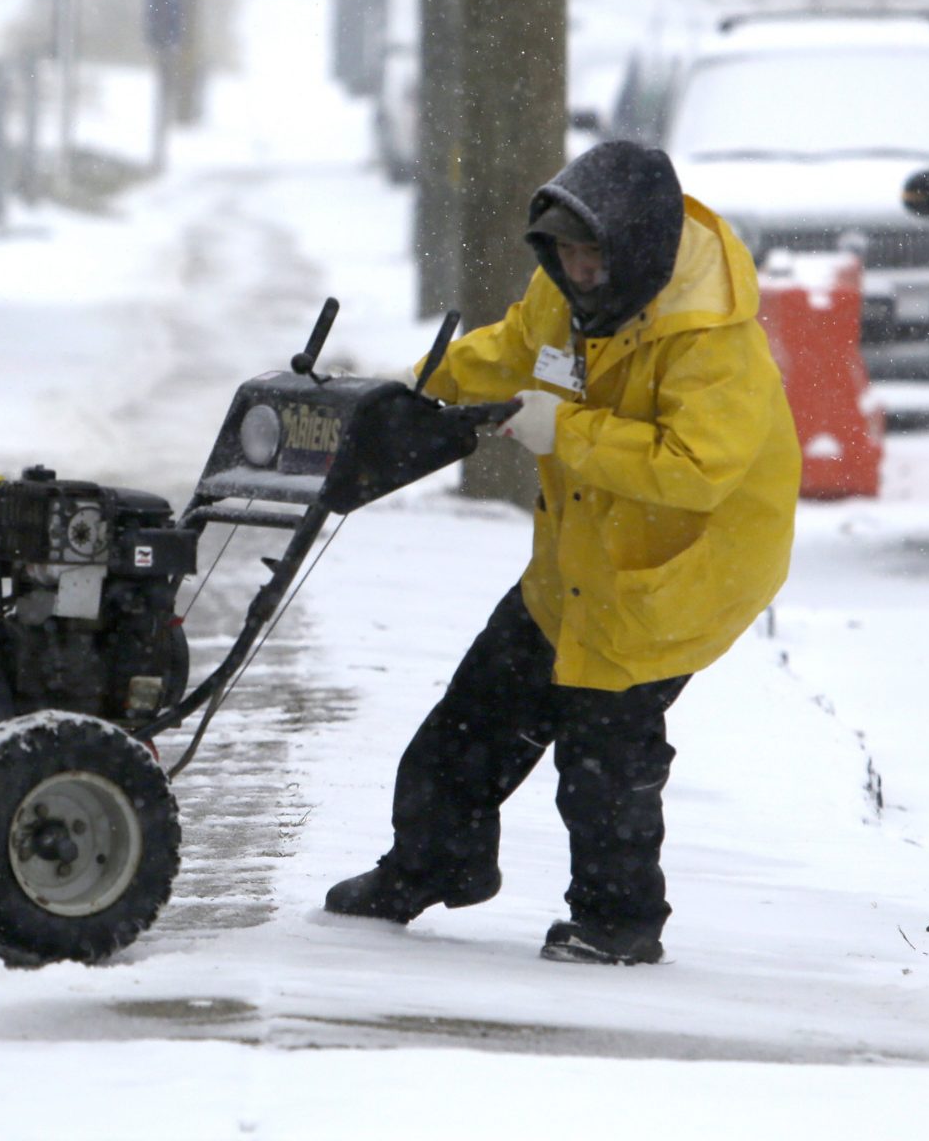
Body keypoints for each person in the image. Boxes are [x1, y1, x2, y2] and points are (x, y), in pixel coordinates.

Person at [324, 140, 802, 965]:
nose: (578, 273)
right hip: (577, 559)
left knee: (604, 756)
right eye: (566, 255)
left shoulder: (709, 342)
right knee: (476, 714)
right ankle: (433, 862)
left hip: (679, 572)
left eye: (593, 257)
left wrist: (564, 430)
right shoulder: (565, 297)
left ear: (640, 250)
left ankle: (617, 923)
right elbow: (509, 351)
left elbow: (694, 469)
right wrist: (412, 390)